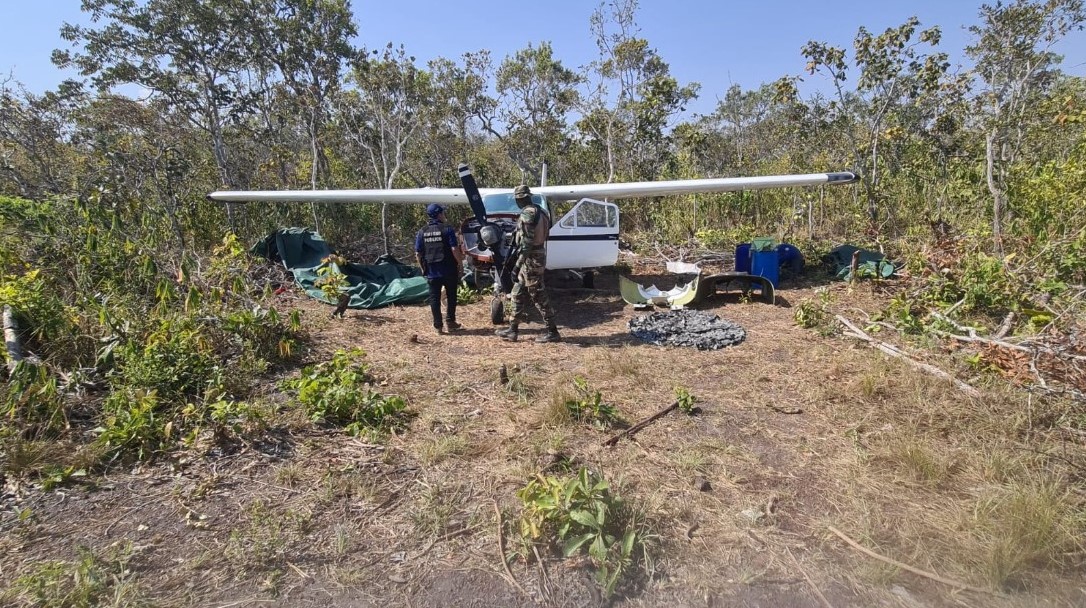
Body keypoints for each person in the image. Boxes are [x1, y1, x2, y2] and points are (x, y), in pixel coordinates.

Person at [495, 185, 561, 343]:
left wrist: (517, 265)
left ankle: (553, 331)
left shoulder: (528, 214)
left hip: (531, 259)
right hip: (536, 255)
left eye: (517, 200)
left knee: (538, 295)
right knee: (517, 292)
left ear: (521, 199)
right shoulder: (542, 212)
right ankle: (513, 329)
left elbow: (526, 243)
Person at [415, 203, 464, 334]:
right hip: (449, 270)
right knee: (451, 296)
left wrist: (423, 268)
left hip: (432, 271)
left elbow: (418, 253)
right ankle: (450, 322)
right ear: (439, 214)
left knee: (434, 298)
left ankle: (438, 326)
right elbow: (454, 248)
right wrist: (460, 263)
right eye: (442, 212)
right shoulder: (447, 229)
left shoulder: (422, 231)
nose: (444, 215)